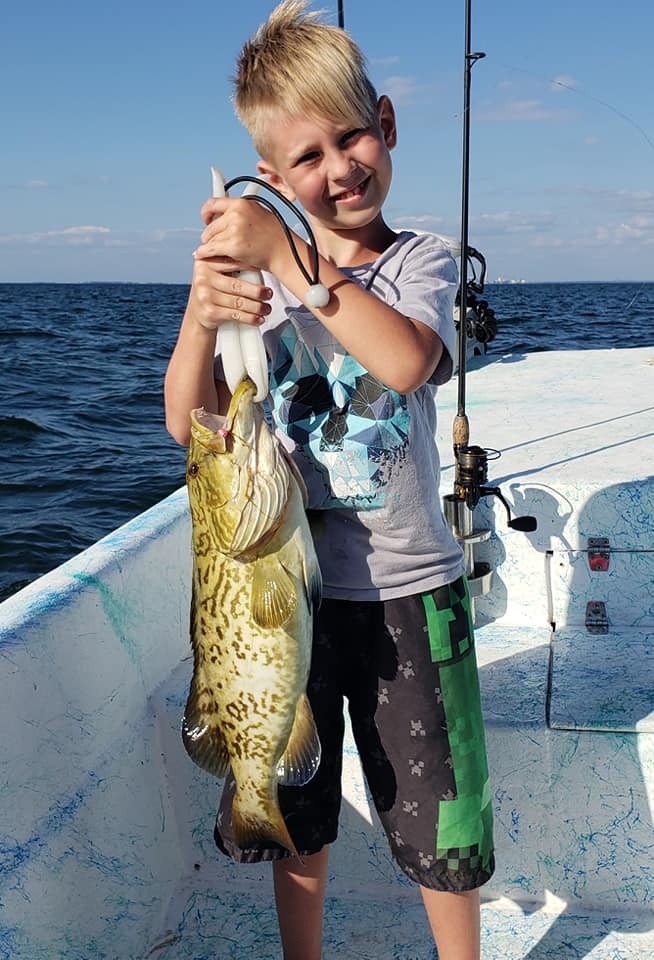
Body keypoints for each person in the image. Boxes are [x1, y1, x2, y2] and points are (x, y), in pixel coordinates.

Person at [164, 2, 494, 957]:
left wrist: (294, 262)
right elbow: (188, 422)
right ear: (274, 176)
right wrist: (203, 308)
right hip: (288, 602)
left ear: (387, 125)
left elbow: (402, 362)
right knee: (294, 813)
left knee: (439, 825)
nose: (340, 168)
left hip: (407, 591)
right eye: (308, 158)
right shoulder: (255, 290)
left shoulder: (415, 260)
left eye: (353, 137)